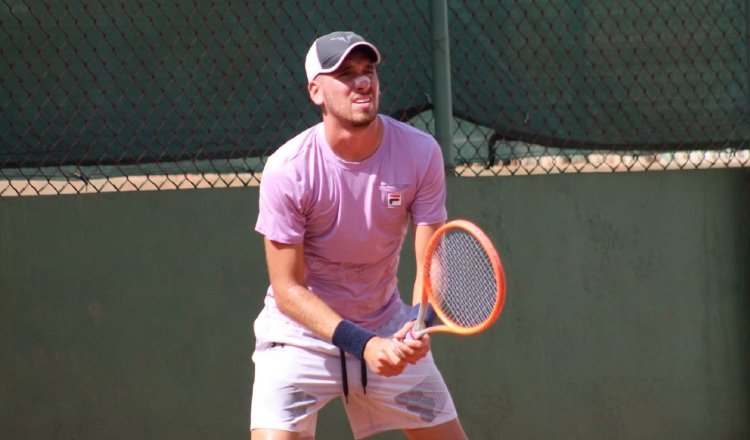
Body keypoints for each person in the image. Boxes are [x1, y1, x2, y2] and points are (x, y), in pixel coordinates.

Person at [250, 30, 467, 440]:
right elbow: (287, 289)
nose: (363, 82)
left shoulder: (421, 153)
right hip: (299, 343)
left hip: (389, 329)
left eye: (368, 71)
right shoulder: (288, 169)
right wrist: (363, 345)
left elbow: (429, 260)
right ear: (316, 91)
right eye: (345, 74)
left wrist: (419, 325)